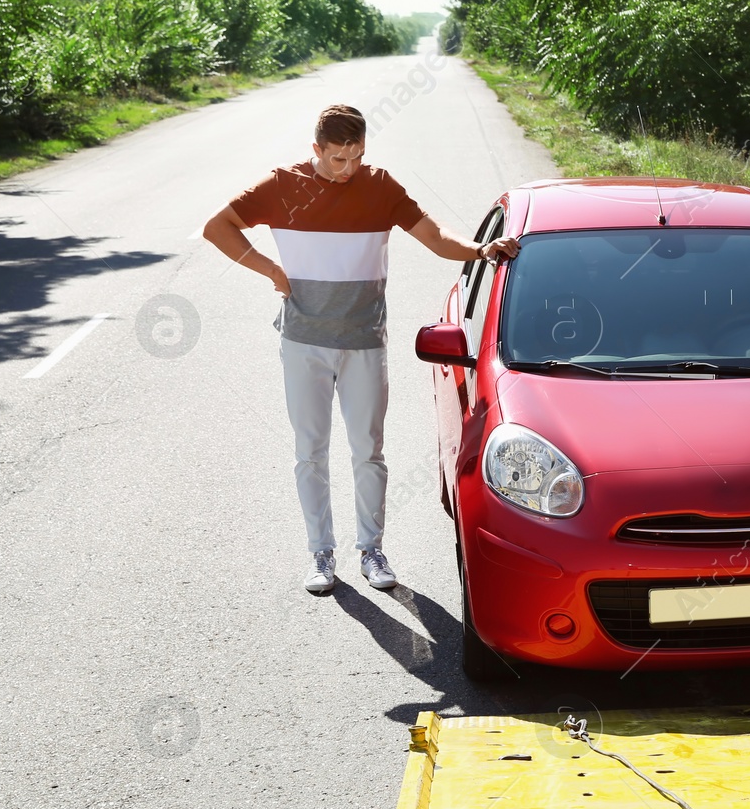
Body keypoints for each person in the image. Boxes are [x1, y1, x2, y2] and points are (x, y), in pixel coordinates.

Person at [204, 104, 518, 594]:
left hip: (365, 342)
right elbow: (217, 226)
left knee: (368, 451)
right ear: (316, 151)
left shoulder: (380, 187)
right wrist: (271, 270)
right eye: (337, 160)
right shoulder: (281, 186)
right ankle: (321, 554)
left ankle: (371, 549)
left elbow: (435, 237)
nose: (347, 169)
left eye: (356, 157)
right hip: (303, 341)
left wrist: (481, 249)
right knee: (310, 451)